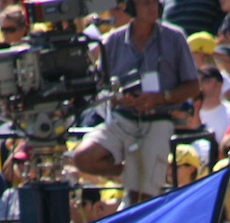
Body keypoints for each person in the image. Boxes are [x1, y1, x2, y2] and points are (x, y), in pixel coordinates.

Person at [70, 0, 198, 205]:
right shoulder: (112, 40)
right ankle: (134, 174)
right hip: (122, 119)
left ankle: (142, 182)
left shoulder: (175, 37)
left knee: (141, 197)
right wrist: (119, 97)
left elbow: (193, 86)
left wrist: (159, 97)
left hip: (158, 119)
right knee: (83, 158)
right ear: (131, 8)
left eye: (155, 3)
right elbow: (100, 88)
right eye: (145, 3)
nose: (152, 8)